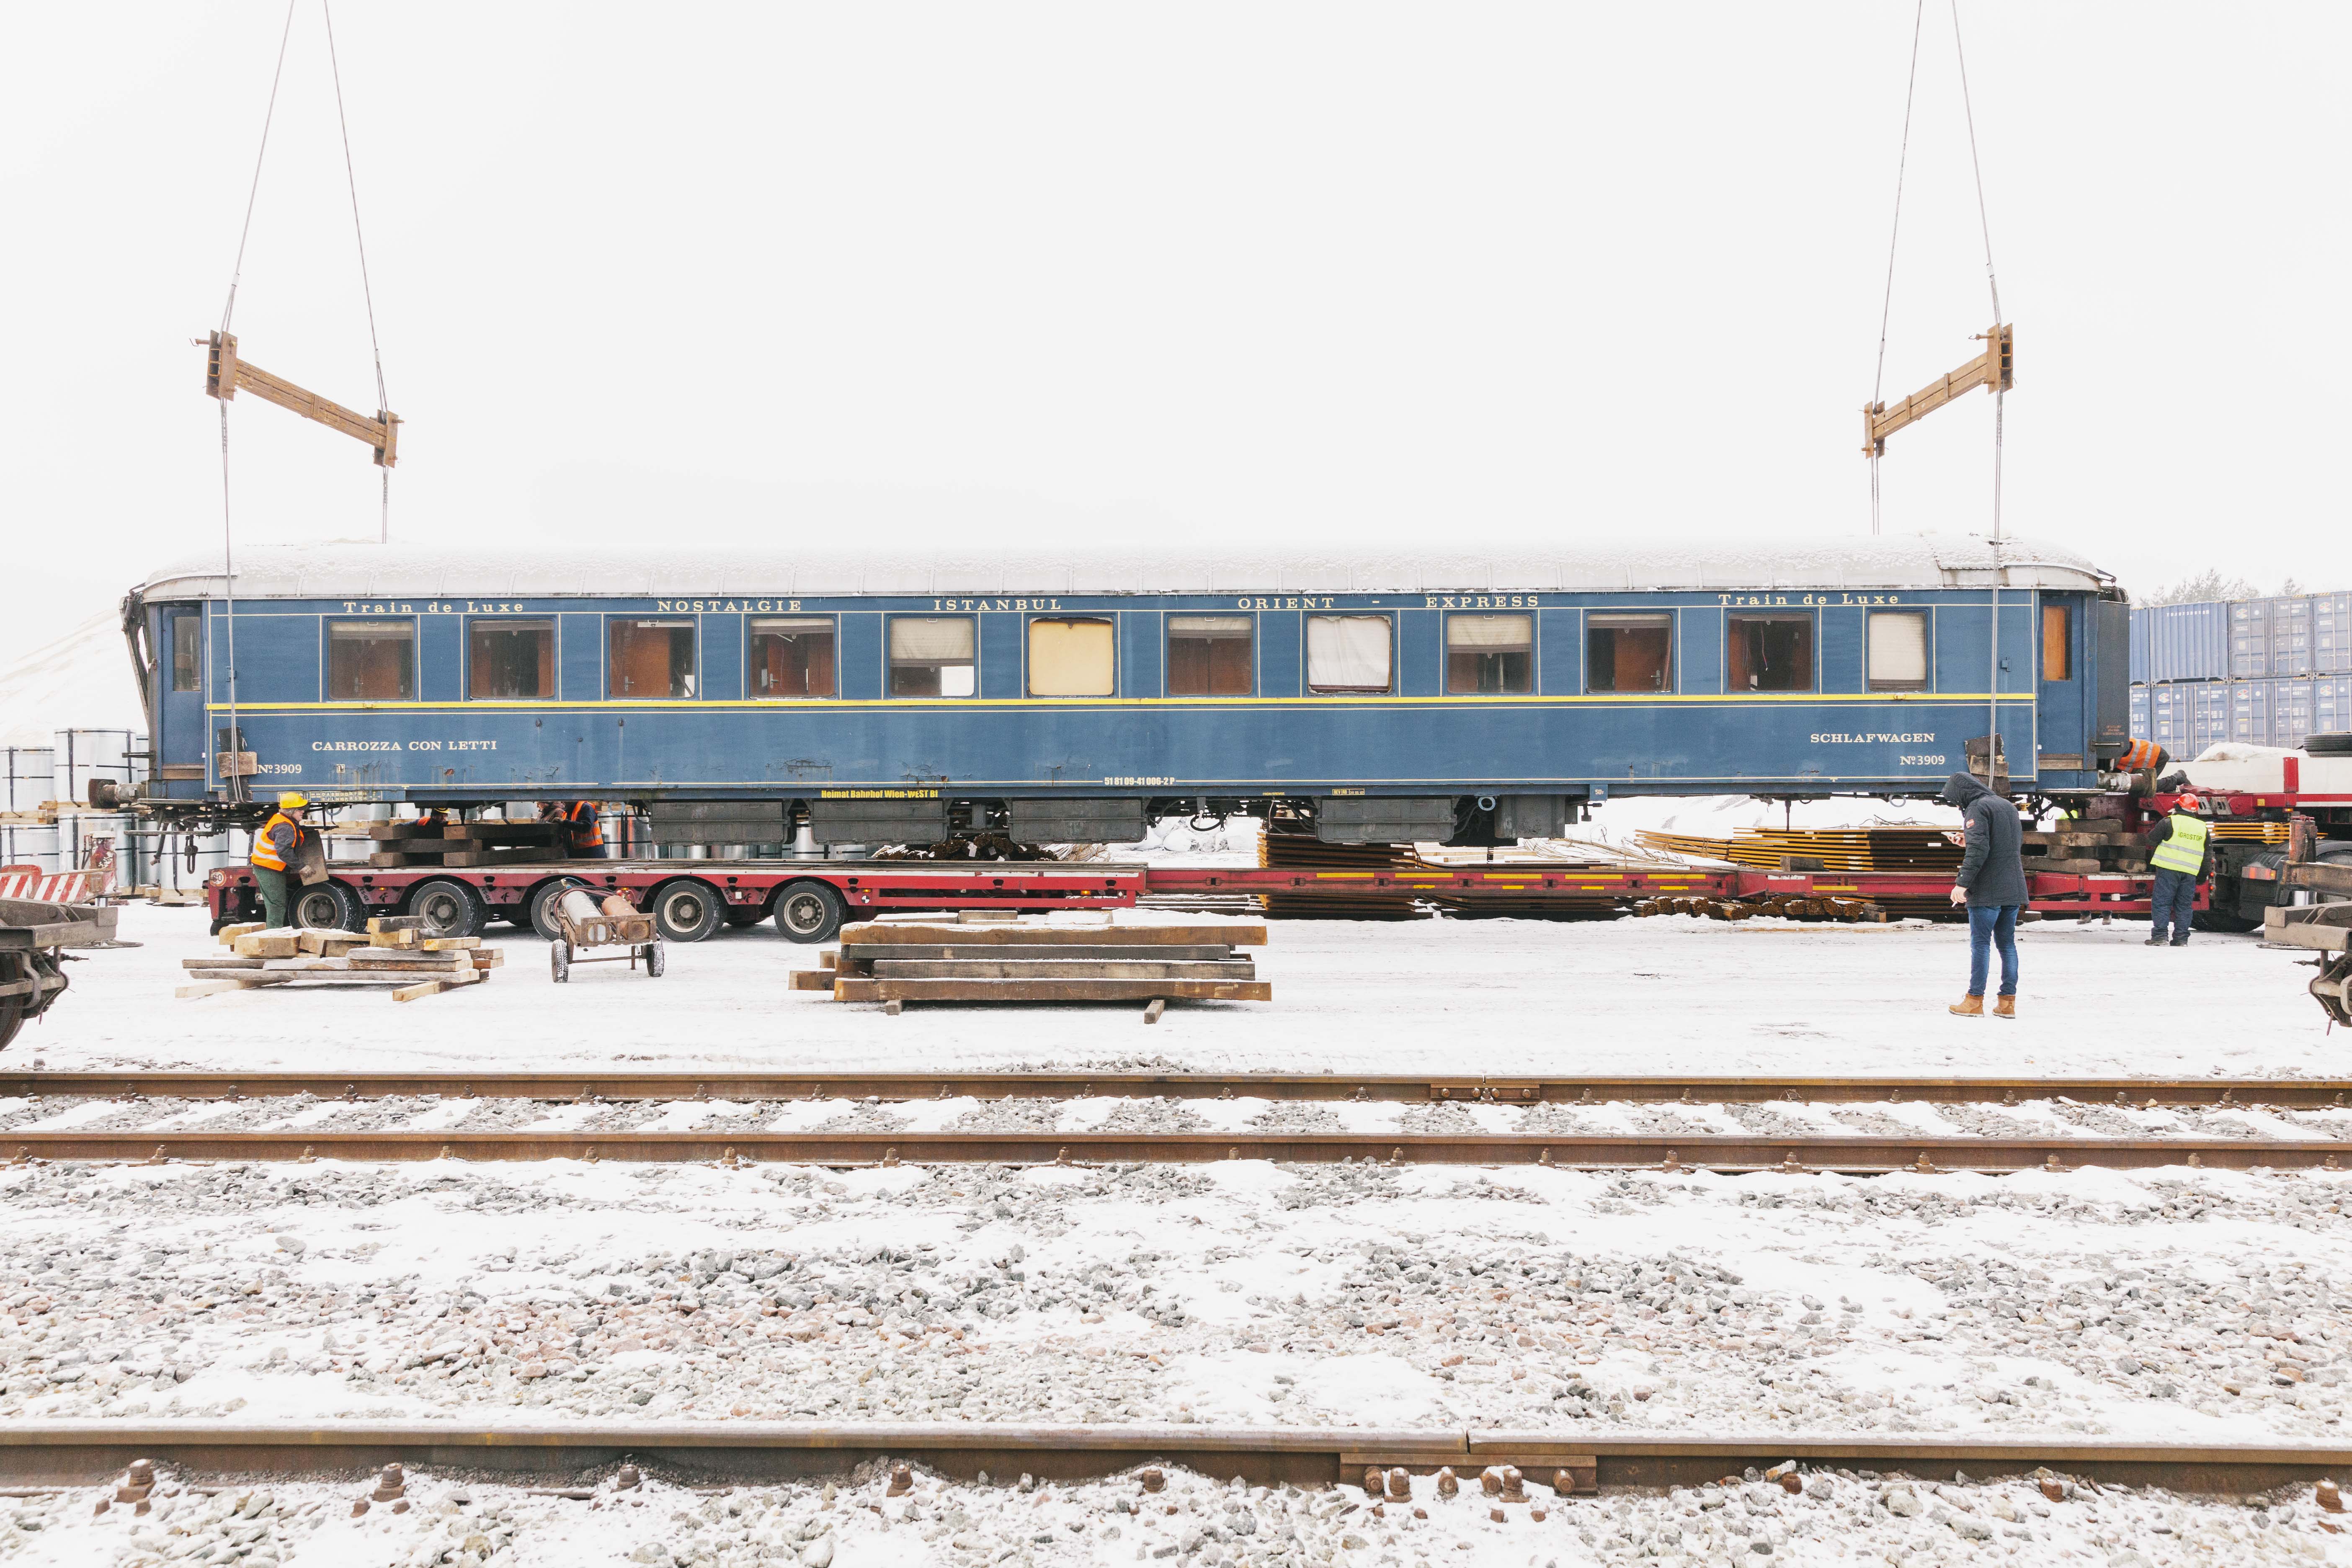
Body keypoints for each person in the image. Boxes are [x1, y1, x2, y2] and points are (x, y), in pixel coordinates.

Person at [1940, 771, 2028, 1019]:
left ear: (1962, 794)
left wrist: (1962, 884)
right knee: (2007, 945)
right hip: (2013, 886)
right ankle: (2007, 1003)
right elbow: (2001, 843)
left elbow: (1980, 851)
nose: (1957, 805)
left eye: (1956, 800)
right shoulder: (2006, 806)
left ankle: (1974, 1000)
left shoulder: (1977, 808)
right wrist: (1965, 840)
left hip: (1988, 888)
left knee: (1981, 945)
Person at [2145, 790, 2210, 947]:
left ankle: (2160, 937)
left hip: (2168, 870)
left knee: (2162, 903)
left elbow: (2151, 841)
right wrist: (2202, 876)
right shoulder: (2202, 828)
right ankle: (2181, 939)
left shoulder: (2169, 822)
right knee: (2184, 906)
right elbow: (2207, 855)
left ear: (2178, 806)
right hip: (2190, 873)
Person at [247, 792, 314, 929]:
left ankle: (274, 934)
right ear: (292, 811)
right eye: (300, 809)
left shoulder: (283, 820)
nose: (303, 811)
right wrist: (301, 866)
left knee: (275, 903)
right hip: (269, 868)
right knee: (276, 904)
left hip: (269, 867)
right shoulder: (285, 827)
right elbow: (284, 852)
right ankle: (273, 937)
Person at [542, 799, 607, 859]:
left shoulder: (586, 807)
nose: (562, 801)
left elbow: (586, 827)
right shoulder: (567, 812)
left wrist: (564, 822)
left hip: (592, 854)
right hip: (576, 854)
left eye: (564, 799)